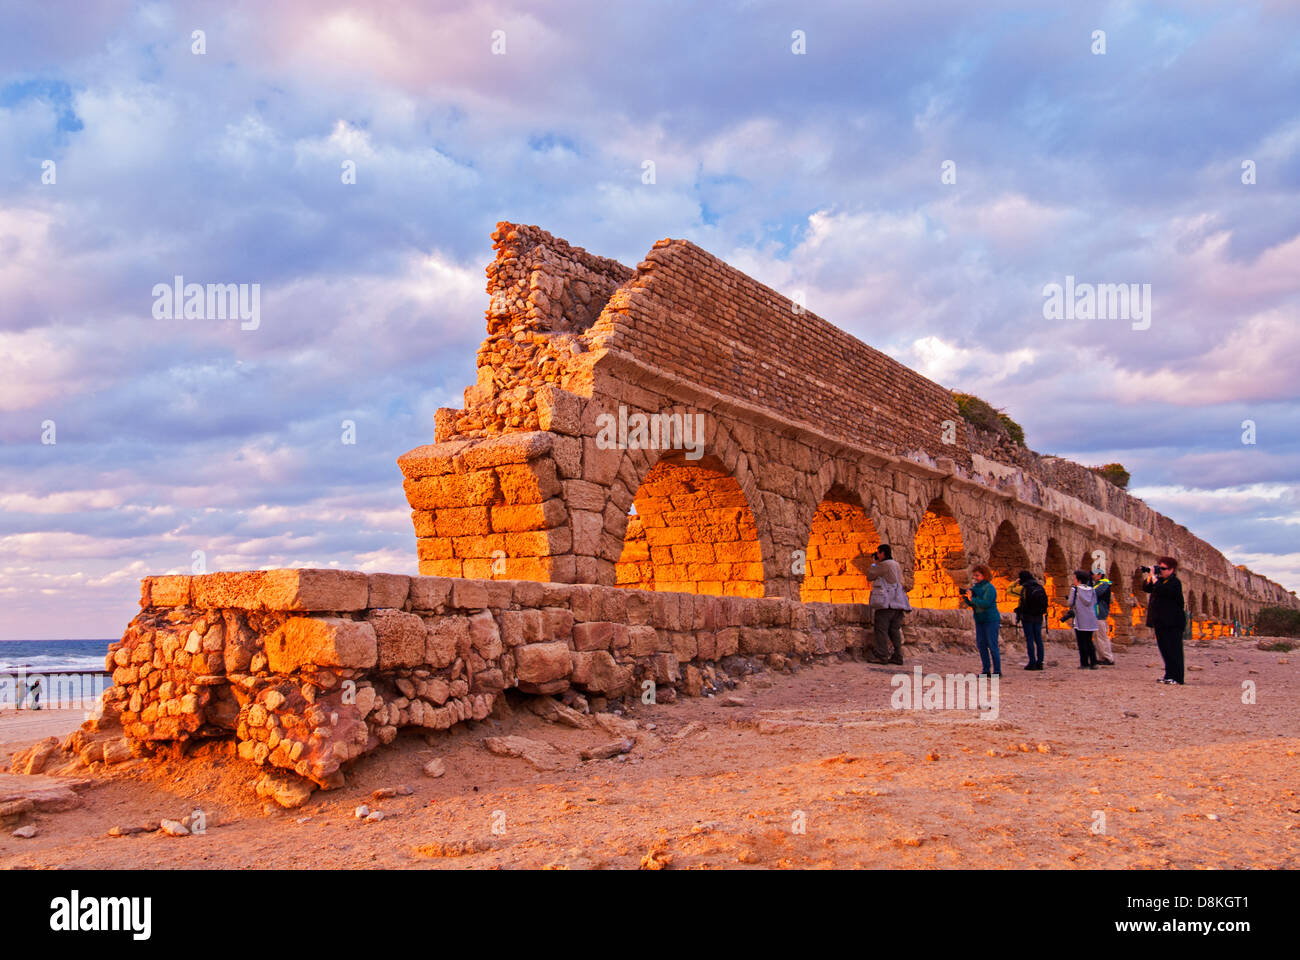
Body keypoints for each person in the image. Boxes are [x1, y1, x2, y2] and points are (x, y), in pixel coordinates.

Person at [1142, 556, 1186, 684]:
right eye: (1159, 568)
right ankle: (1169, 675)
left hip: (1173, 623)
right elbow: (1146, 588)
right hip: (1160, 621)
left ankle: (1178, 678)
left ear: (1172, 569)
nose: (1160, 571)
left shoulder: (1175, 583)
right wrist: (1150, 576)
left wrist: (1155, 579)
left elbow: (1164, 591)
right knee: (1165, 649)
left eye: (1163, 568)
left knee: (1174, 650)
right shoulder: (1160, 581)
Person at [864, 544, 909, 665]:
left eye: (878, 553)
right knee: (894, 631)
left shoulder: (884, 565)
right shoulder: (896, 564)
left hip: (887, 603)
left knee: (881, 629)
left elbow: (870, 575)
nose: (877, 555)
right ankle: (898, 656)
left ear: (883, 553)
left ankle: (882, 656)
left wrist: (874, 562)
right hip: (898, 603)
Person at [960, 564, 1001, 677]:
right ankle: (986, 670)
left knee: (992, 645)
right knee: (981, 645)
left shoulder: (989, 588)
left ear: (985, 575)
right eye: (974, 576)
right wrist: (967, 598)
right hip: (980, 620)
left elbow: (986, 603)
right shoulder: (976, 588)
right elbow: (973, 604)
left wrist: (972, 598)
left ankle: (997, 671)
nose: (975, 578)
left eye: (977, 576)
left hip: (991, 619)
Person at [1065, 570, 1100, 669]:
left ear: (1079, 580)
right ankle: (1093, 662)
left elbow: (1070, 603)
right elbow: (1094, 602)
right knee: (1089, 641)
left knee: (1081, 641)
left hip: (1080, 618)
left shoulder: (1075, 590)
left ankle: (1084, 663)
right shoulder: (1092, 589)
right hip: (1091, 619)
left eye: (1075, 578)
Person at [1015, 570, 1048, 670]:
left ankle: (1032, 662)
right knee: (1038, 639)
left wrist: (1016, 582)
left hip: (1027, 617)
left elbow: (1009, 590)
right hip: (1038, 616)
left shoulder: (1023, 588)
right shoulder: (1039, 587)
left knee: (1029, 639)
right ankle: (1040, 663)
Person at [1092, 571, 1116, 665]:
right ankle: (1102, 657)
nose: (1092, 576)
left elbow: (1094, 593)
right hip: (1097, 614)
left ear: (1100, 575)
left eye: (1094, 574)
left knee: (1101, 636)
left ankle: (1108, 658)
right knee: (1098, 637)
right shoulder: (1099, 584)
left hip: (1100, 614)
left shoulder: (1103, 584)